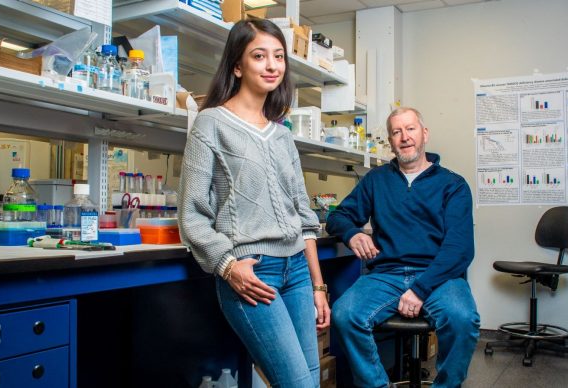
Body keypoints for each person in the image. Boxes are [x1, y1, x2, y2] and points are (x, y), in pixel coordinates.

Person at [178, 18, 330, 387]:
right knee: (299, 383)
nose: (272, 65)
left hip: (296, 271)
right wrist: (229, 268)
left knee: (310, 380)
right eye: (259, 56)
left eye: (278, 56)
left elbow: (304, 218)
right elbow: (192, 214)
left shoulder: (281, 135)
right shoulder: (210, 123)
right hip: (253, 273)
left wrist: (318, 286)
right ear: (237, 65)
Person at [326, 107, 480, 388]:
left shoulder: (453, 185)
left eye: (410, 129)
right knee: (345, 314)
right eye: (396, 132)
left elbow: (460, 250)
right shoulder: (376, 180)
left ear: (424, 134)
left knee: (462, 319)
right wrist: (352, 234)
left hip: (438, 275)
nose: (404, 137)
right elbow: (337, 216)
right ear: (391, 140)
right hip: (387, 274)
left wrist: (420, 289)